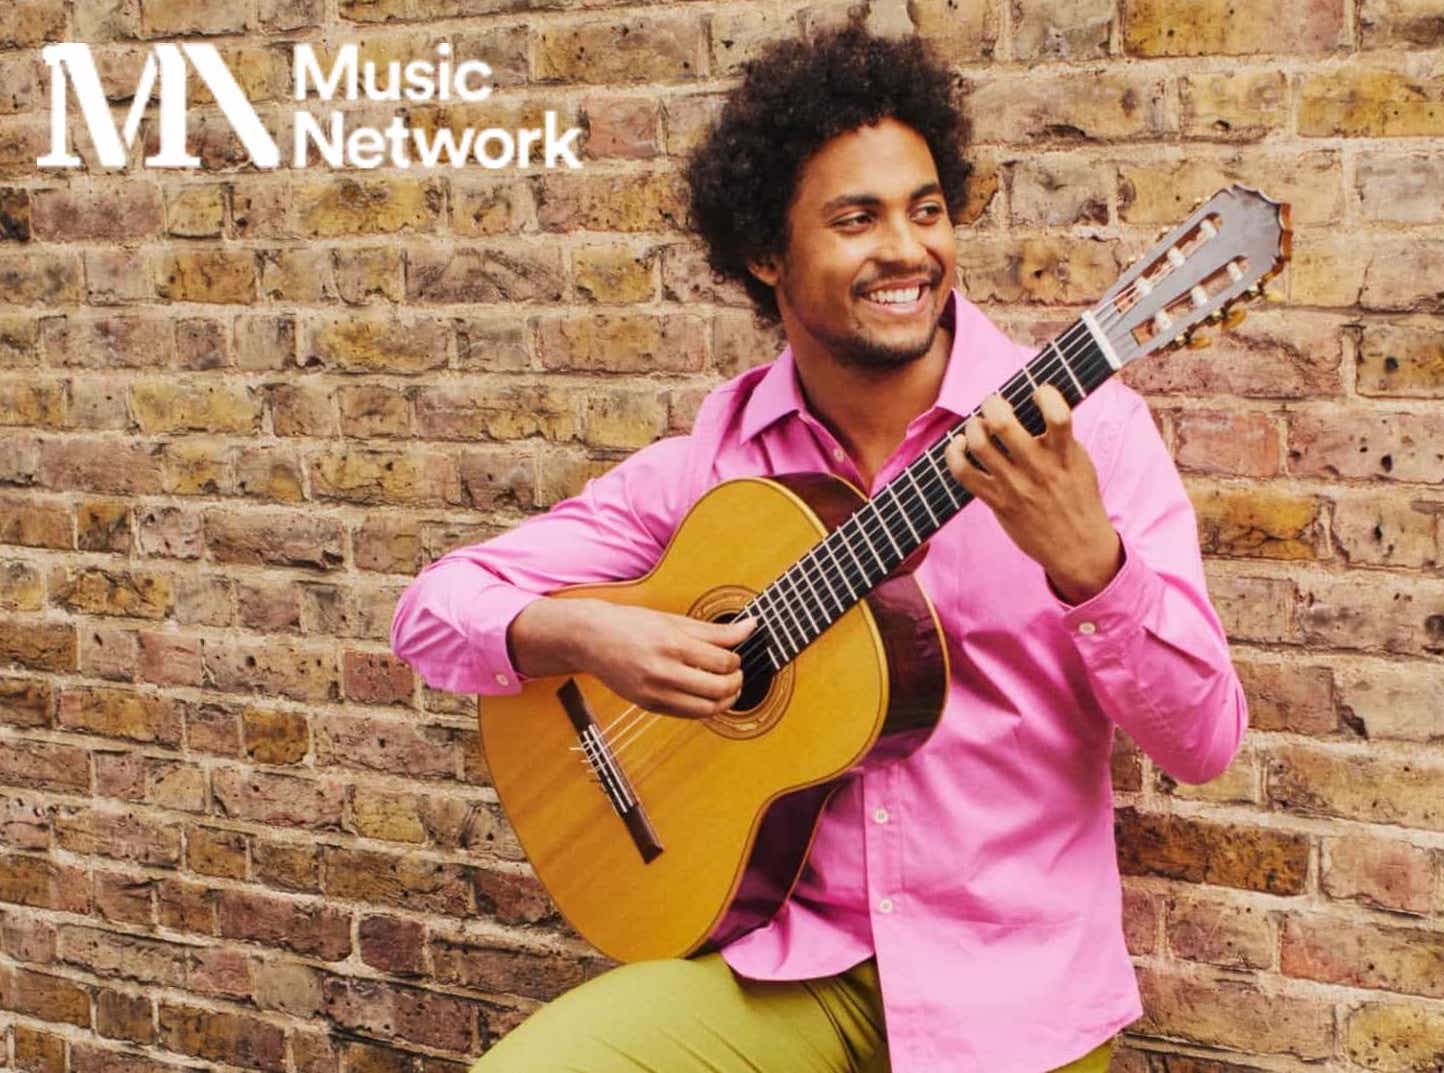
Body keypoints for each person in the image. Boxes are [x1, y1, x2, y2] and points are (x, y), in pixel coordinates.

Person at [390, 22, 1249, 1073]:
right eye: (857, 218)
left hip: (1008, 1001)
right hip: (787, 971)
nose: (907, 249)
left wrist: (1090, 565)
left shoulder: (1085, 433)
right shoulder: (719, 460)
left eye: (926, 211)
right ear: (766, 251)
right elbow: (431, 610)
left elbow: (1205, 740)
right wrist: (584, 631)